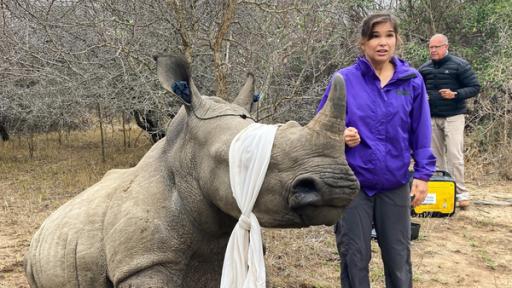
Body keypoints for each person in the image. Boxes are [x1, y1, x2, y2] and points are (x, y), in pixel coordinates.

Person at [316, 12, 436, 287]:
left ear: (397, 39)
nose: (383, 43)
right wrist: (340, 134)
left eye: (389, 35)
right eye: (375, 36)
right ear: (362, 43)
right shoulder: (343, 80)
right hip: (353, 186)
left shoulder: (412, 81)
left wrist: (423, 175)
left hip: (394, 184)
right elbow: (319, 129)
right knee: (354, 259)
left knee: (398, 259)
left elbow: (421, 132)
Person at [419, 34, 480, 209]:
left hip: (454, 117)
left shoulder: (460, 65)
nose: (433, 50)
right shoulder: (424, 69)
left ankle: (461, 193)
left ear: (446, 46)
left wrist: (456, 94)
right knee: (436, 158)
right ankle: (442, 192)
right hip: (432, 117)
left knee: (455, 156)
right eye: (431, 47)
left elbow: (475, 87)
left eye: (437, 47)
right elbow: (417, 90)